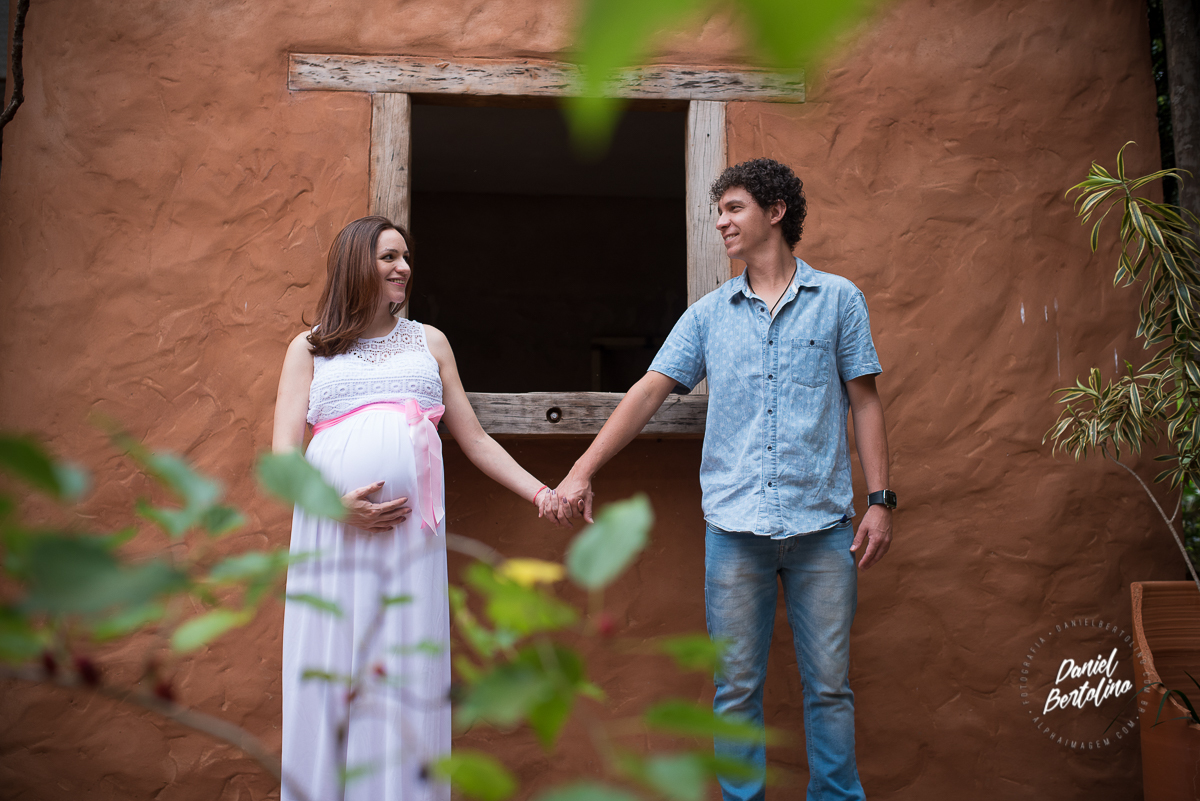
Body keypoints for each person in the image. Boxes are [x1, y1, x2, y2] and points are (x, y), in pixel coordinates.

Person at [551, 159, 894, 801]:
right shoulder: (708, 315)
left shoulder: (839, 300)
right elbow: (648, 391)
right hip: (735, 533)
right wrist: (579, 471)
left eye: (734, 208)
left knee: (830, 688)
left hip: (823, 529)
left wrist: (880, 501)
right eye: (719, 211)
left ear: (775, 212)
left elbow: (865, 402)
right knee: (734, 689)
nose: (721, 223)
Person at [272, 215, 558, 801]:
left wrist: (541, 492)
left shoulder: (430, 342)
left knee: (403, 667)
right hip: (332, 536)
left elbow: (476, 440)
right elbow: (282, 459)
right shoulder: (309, 348)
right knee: (332, 665)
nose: (404, 267)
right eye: (389, 257)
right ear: (357, 265)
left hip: (409, 539)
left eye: (405, 257)